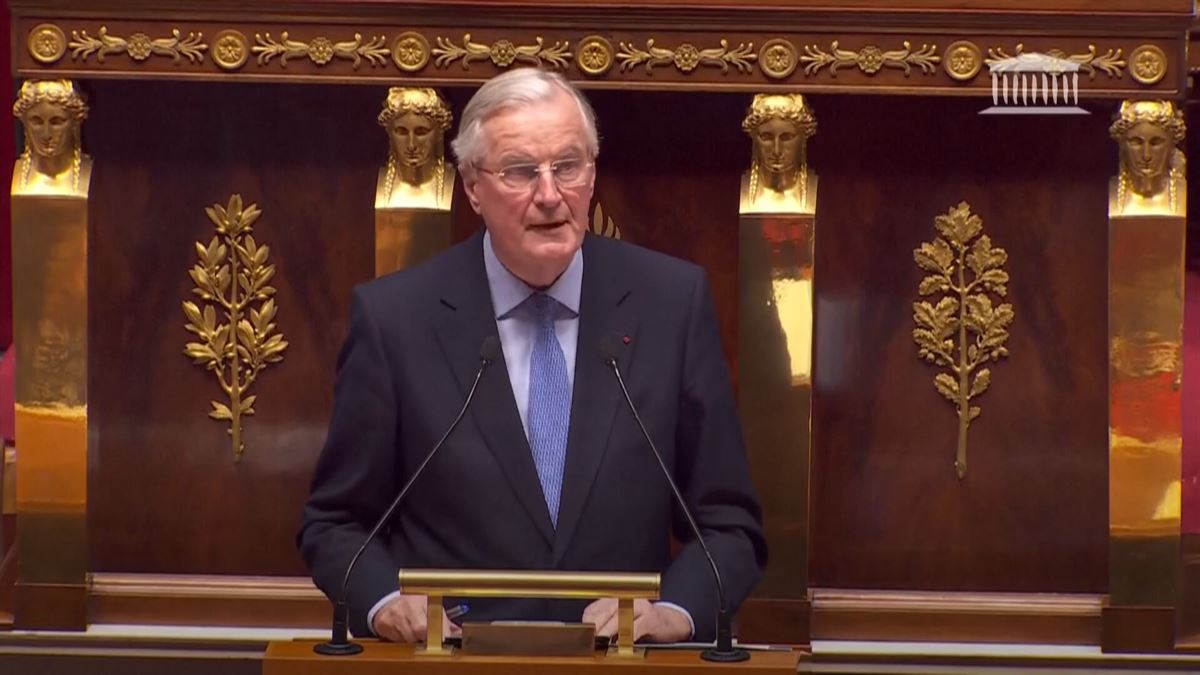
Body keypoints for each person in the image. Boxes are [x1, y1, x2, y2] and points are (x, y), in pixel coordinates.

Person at [299, 68, 766, 645]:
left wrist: (674, 611)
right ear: (472, 186)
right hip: (454, 660)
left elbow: (728, 526)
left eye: (568, 166)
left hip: (621, 661)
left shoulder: (670, 304)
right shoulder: (396, 319)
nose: (550, 194)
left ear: (591, 175)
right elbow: (336, 524)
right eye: (521, 171)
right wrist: (389, 603)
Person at [376, 86, 456, 210]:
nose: (411, 145)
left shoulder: (452, 183)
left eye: (421, 132)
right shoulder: (379, 186)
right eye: (401, 132)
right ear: (389, 132)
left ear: (440, 133)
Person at [739, 93, 817, 215]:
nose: (776, 150)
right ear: (753, 137)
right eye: (766, 137)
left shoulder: (822, 191)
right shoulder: (736, 190)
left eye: (786, 138)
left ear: (803, 138)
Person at [11, 79, 92, 196]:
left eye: (57, 122)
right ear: (24, 122)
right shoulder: (14, 175)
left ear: (76, 122)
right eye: (36, 122)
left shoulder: (91, 174)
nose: (46, 134)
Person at [1108, 99, 1186, 217]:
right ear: (1122, 145)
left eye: (1156, 143)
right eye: (1136, 142)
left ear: (1171, 145)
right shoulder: (1116, 194)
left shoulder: (1180, 192)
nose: (1146, 155)